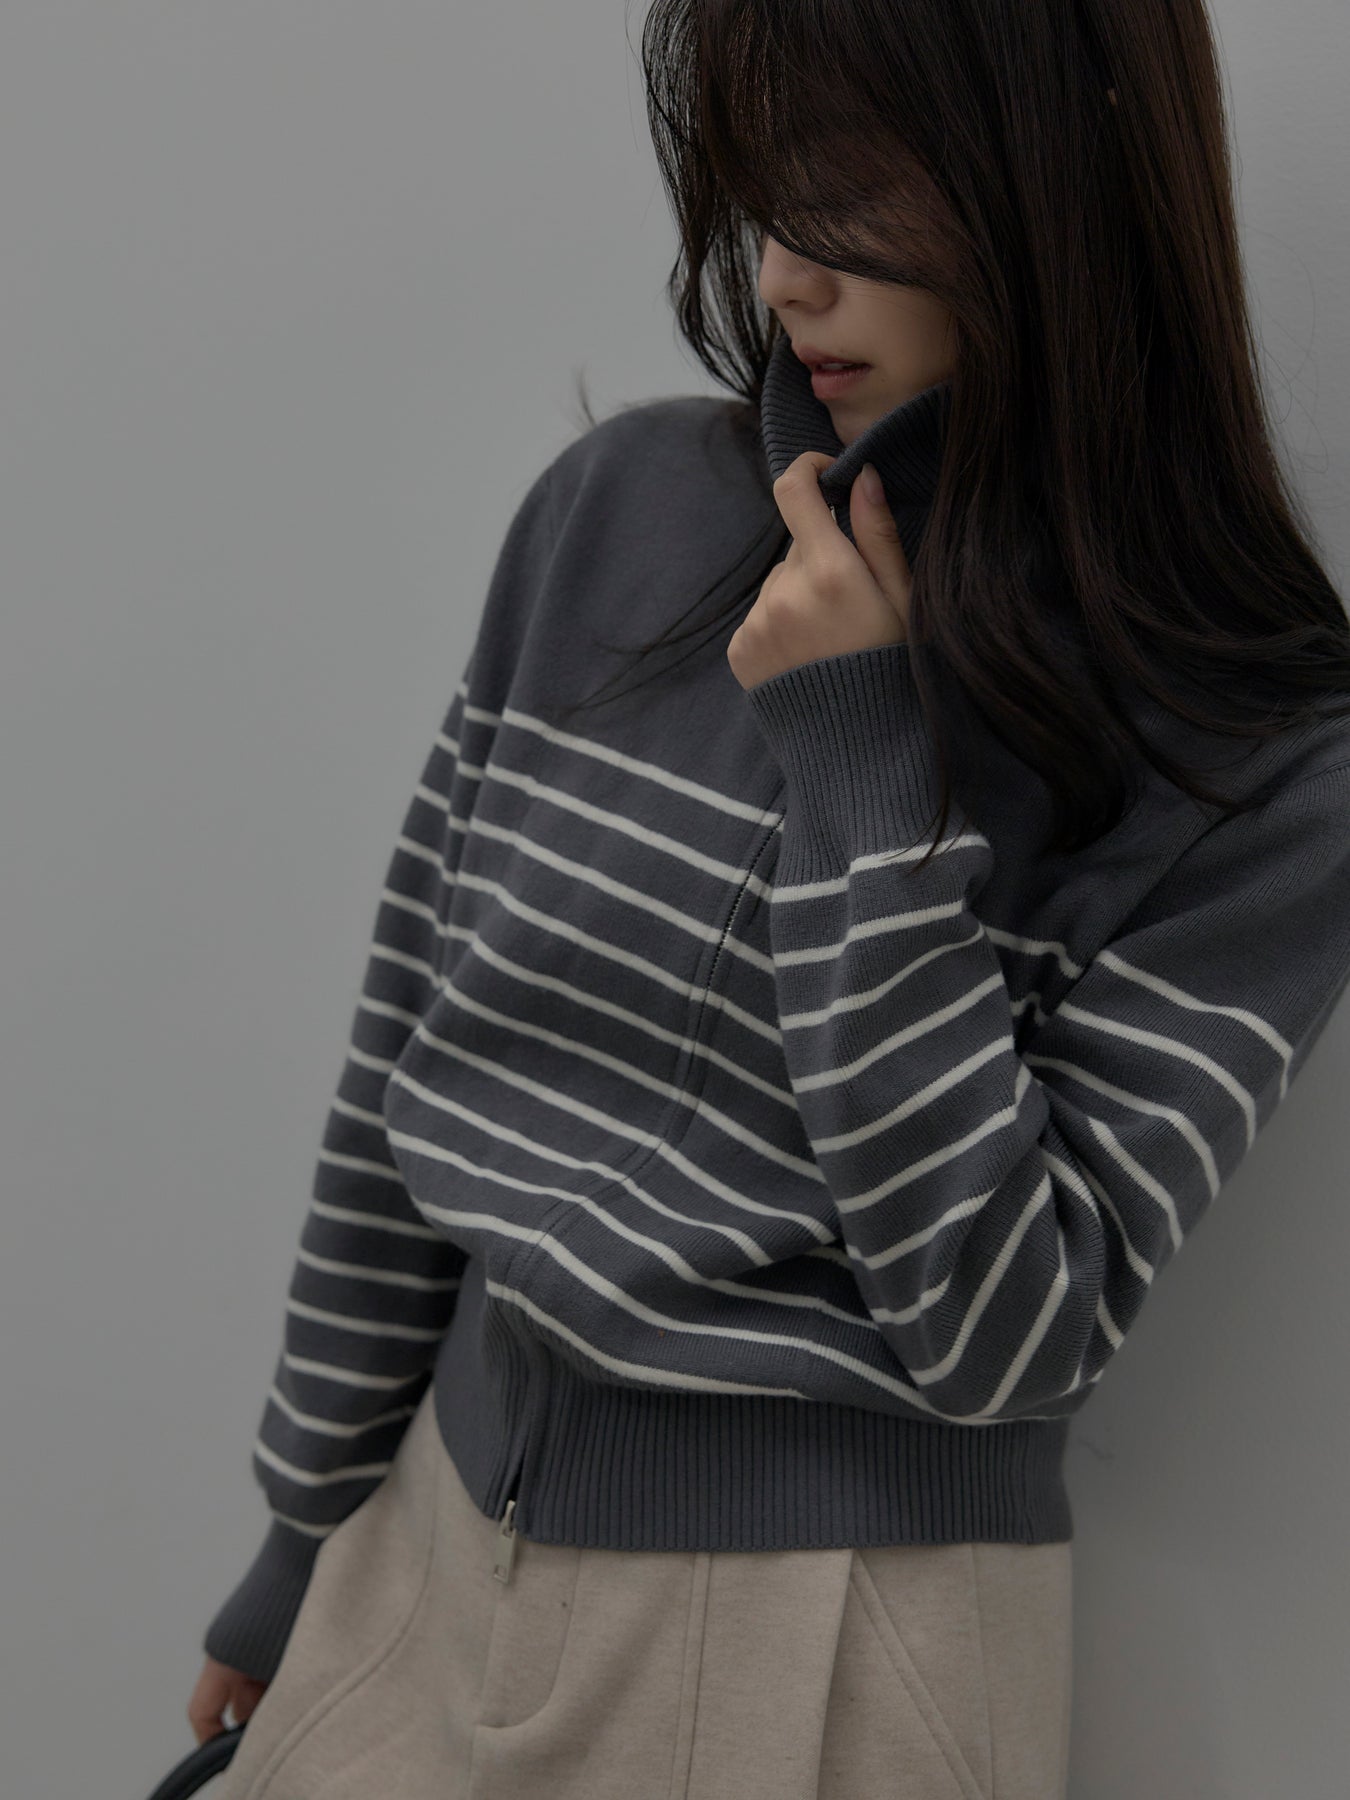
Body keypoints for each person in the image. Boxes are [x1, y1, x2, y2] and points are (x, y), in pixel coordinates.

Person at [187, 2, 1350, 1795]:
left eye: (855, 188)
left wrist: (863, 767)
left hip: (826, 1650)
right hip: (416, 1558)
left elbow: (1002, 1335)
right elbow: (406, 1054)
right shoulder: (612, 513)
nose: (787, 274)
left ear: (1057, 175)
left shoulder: (1257, 748)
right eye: (764, 187)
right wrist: (302, 1531)